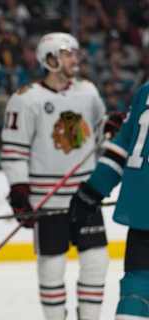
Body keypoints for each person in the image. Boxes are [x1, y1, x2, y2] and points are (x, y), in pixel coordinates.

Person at [1, 32, 123, 320]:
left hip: (84, 195)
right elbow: (14, 151)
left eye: (75, 53)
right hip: (48, 200)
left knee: (97, 261)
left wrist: (112, 127)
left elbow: (98, 134)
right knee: (52, 266)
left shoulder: (88, 91)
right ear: (50, 59)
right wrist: (20, 192)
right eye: (68, 54)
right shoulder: (26, 99)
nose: (74, 59)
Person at [68, 82, 149, 319]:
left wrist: (91, 192)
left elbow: (120, 149)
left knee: (136, 292)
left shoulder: (145, 91)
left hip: (142, 215)